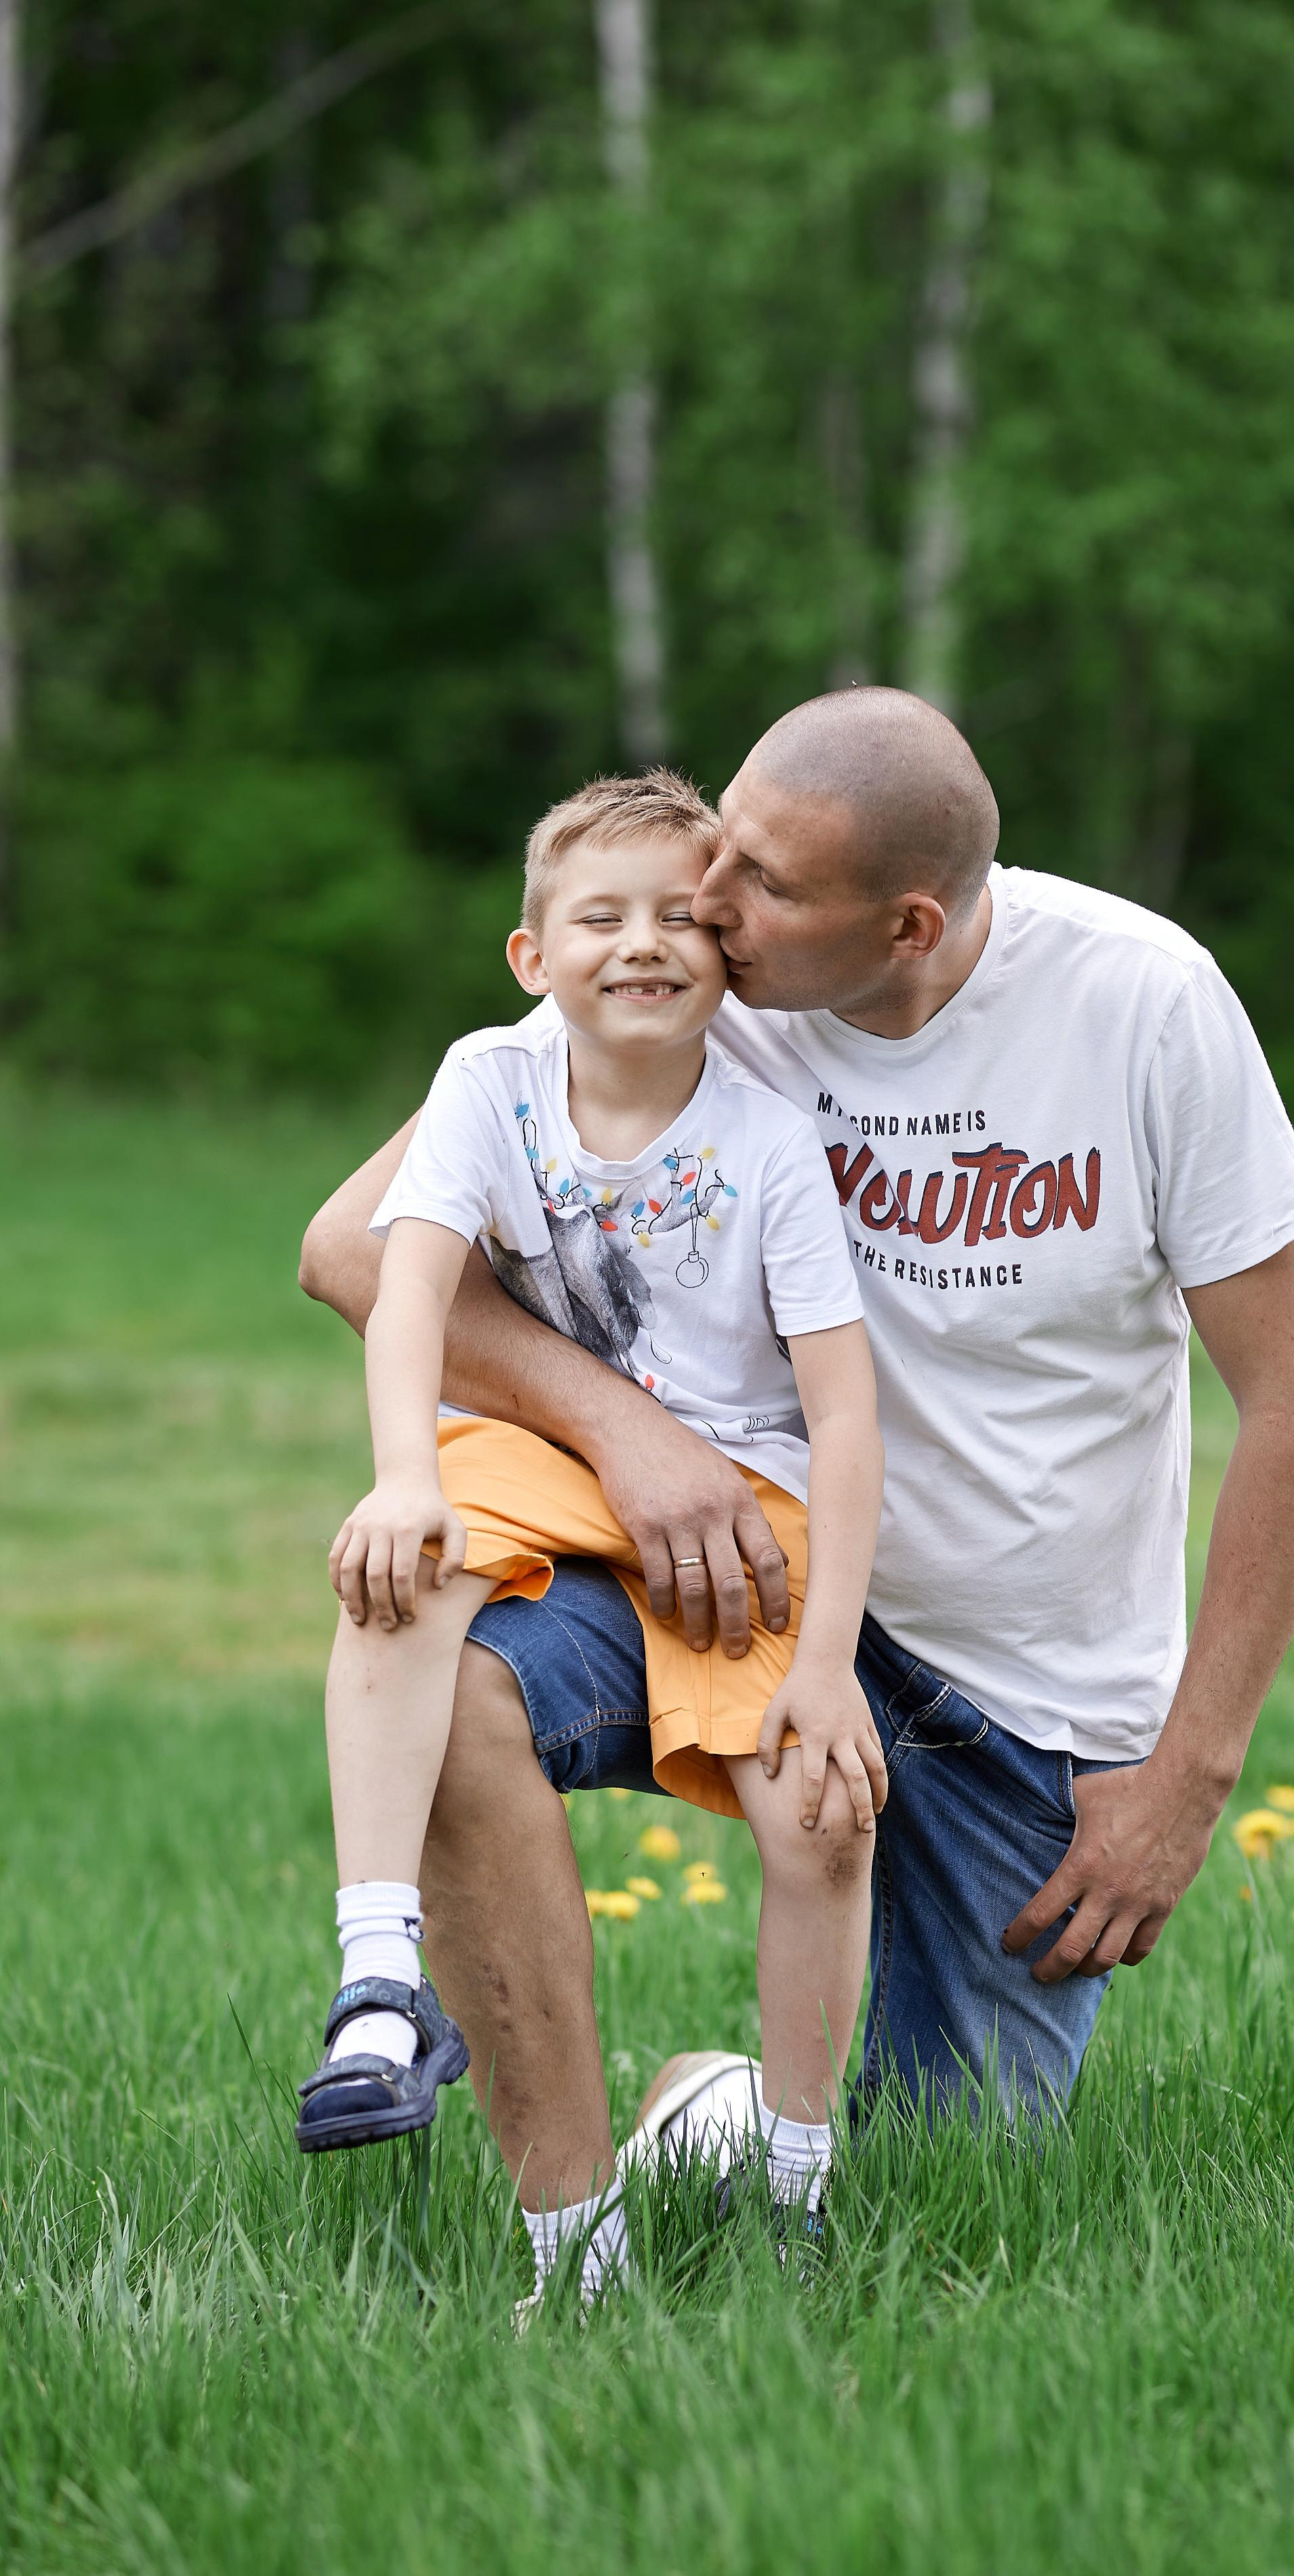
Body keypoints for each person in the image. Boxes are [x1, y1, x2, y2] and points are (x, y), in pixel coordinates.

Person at [300, 688, 1294, 2304]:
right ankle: (567, 2244)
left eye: (764, 884)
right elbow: (353, 1248)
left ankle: (714, 2112)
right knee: (461, 1693)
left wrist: (1189, 1770)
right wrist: (624, 1430)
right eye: (720, 842)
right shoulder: (697, 974)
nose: (711, 902)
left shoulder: (1146, 1009)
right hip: (731, 1578)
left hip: (1015, 1696)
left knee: (951, 2187)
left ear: (905, 921)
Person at [295, 770, 884, 2301]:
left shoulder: (768, 1139)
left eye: (682, 917)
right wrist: (400, 1474)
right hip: (551, 1460)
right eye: (599, 917)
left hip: (742, 1504)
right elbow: (400, 1282)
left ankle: (799, 2194)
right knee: (395, 1568)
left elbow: (844, 1417)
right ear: (530, 952)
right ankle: (376, 1980)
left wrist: (826, 1665)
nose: (643, 944)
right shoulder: (490, 1077)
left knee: (820, 1811)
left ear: (728, 950)